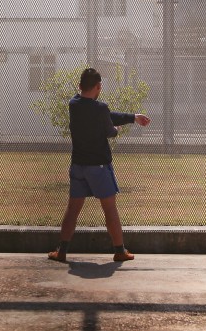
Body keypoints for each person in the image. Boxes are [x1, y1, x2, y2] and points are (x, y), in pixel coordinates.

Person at [49, 67, 150, 263]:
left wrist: (132, 117)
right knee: (110, 209)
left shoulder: (73, 104)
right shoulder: (100, 108)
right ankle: (120, 250)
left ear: (79, 86)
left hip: (78, 166)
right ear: (99, 86)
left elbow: (102, 114)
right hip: (99, 167)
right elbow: (109, 130)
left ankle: (61, 251)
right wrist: (116, 129)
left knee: (72, 209)